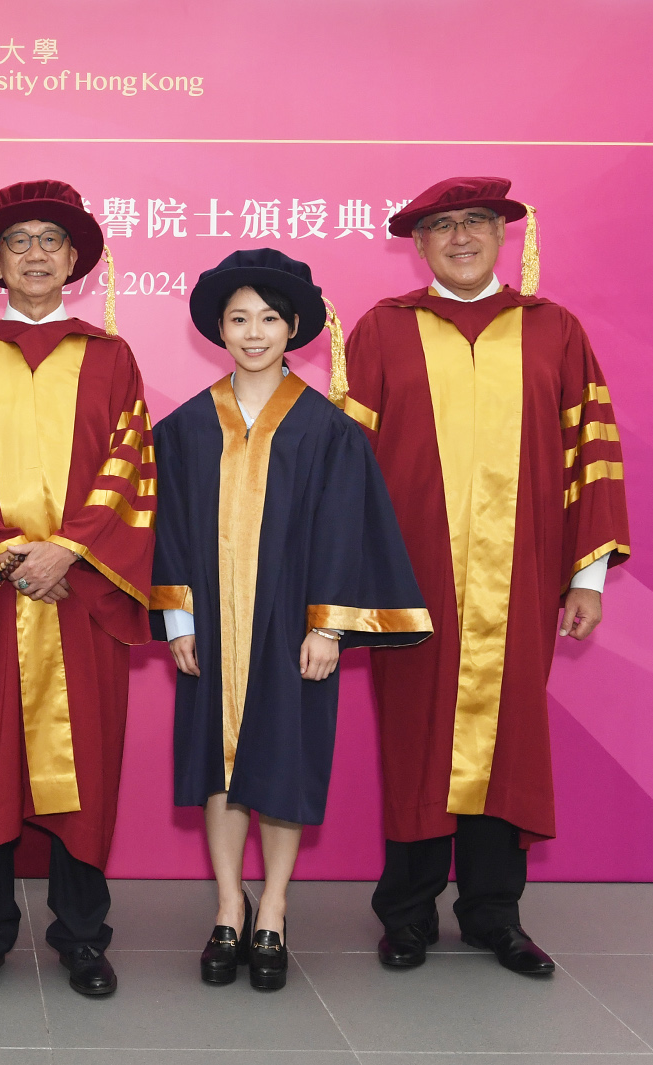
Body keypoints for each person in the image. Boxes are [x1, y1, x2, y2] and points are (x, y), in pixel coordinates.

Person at [341, 177, 631, 975]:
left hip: (524, 580)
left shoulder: (554, 330)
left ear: (504, 235)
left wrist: (590, 578)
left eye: (476, 223)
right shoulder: (383, 331)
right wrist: (348, 582)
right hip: (410, 582)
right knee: (414, 738)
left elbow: (593, 459)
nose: (461, 237)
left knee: (506, 742)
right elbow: (347, 468)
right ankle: (406, 915)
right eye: (442, 226)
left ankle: (495, 914)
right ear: (419, 243)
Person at [150, 249, 430, 991]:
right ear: (218, 328)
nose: (253, 332)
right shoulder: (182, 430)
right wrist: (179, 622)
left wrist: (329, 626)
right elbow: (169, 529)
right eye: (239, 318)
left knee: (283, 762)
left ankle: (273, 905)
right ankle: (226, 905)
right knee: (217, 764)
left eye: (269, 319)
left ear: (294, 328)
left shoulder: (329, 432)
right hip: (212, 628)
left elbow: (345, 531)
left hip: (292, 631)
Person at [0, 180, 154, 998]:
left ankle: (82, 934)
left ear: (76, 260)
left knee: (84, 763)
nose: (34, 255)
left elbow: (129, 464)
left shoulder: (110, 355)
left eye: (50, 241)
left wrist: (70, 551)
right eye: (17, 242)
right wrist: (13, 554)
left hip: (82, 595)